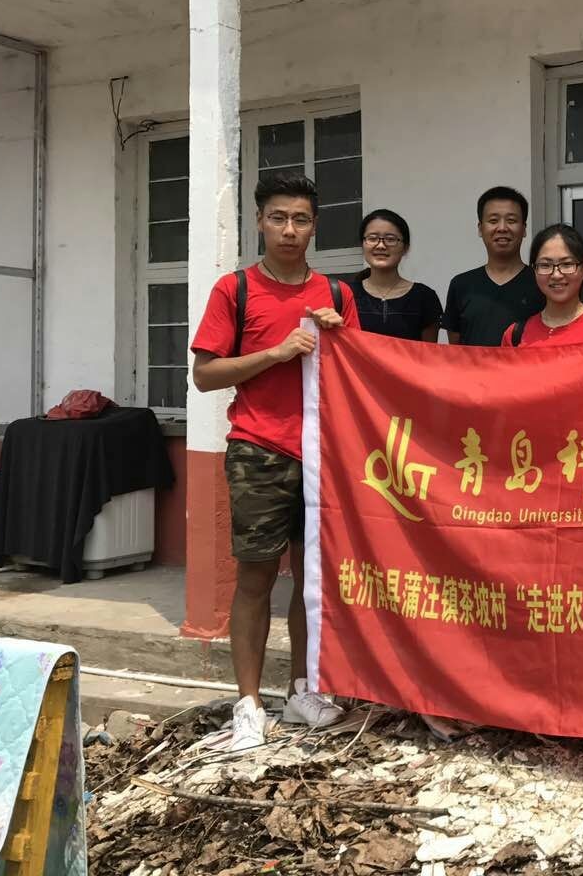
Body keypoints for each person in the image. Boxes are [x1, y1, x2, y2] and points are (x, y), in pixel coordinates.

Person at [191, 172, 359, 752]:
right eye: (279, 218)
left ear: (315, 227)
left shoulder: (337, 295)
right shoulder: (234, 289)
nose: (290, 230)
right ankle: (248, 703)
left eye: (301, 219)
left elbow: (358, 375)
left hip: (323, 455)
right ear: (260, 222)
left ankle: (302, 690)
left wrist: (341, 339)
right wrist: (278, 351)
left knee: (312, 581)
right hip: (258, 451)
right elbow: (205, 375)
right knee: (256, 578)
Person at [442, 186, 543, 346]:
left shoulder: (542, 282)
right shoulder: (461, 285)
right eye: (493, 221)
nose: (502, 228)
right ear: (480, 228)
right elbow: (456, 349)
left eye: (511, 220)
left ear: (524, 229)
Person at [502, 224, 583, 346]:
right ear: (534, 270)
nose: (556, 275)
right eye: (545, 265)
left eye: (567, 264)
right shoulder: (515, 335)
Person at [348, 209, 443, 342]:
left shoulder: (424, 297)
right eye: (372, 238)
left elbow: (428, 352)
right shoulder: (346, 294)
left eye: (390, 239)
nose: (380, 245)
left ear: (405, 247)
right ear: (362, 245)